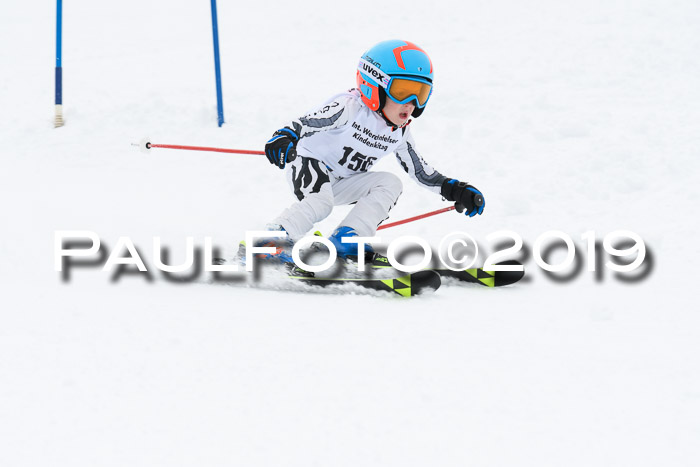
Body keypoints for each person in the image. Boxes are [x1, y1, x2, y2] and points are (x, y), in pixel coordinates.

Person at [258, 39, 484, 264]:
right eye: (402, 91)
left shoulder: (399, 133)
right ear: (373, 85)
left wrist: (455, 190)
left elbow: (421, 172)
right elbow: (307, 122)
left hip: (343, 181)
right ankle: (269, 243)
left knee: (390, 183)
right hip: (309, 164)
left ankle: (347, 240)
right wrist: (285, 136)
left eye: (420, 93)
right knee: (321, 202)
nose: (411, 103)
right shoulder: (350, 107)